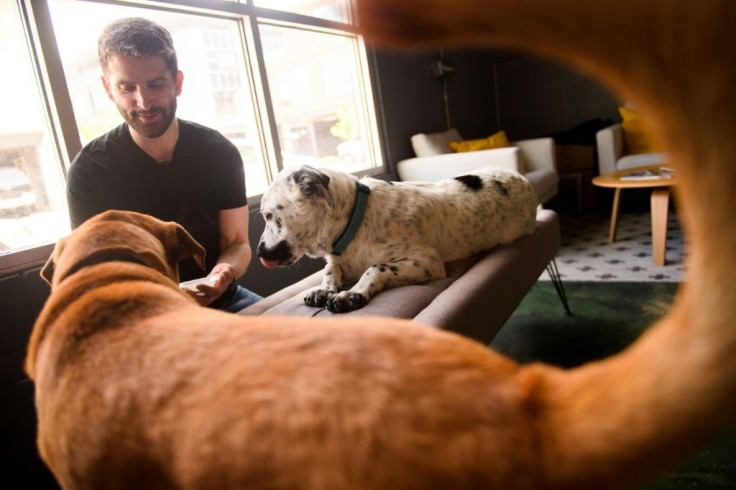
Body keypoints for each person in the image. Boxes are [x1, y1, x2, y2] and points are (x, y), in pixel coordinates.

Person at [66, 17, 262, 312]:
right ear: (108, 90)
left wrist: (224, 274)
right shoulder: (88, 172)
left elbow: (236, 242)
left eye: (155, 84)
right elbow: (90, 273)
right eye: (126, 88)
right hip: (142, 316)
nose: (144, 101)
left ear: (178, 83)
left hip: (224, 299)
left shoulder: (220, 153)